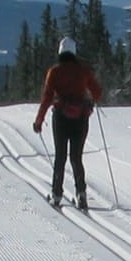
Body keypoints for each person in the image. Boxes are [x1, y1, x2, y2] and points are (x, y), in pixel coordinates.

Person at [32, 38, 104, 208]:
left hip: (61, 118)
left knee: (60, 156)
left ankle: (57, 194)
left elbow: (47, 98)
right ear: (74, 52)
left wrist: (39, 119)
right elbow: (98, 92)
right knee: (76, 157)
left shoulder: (54, 72)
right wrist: (89, 99)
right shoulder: (83, 71)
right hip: (81, 118)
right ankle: (81, 194)